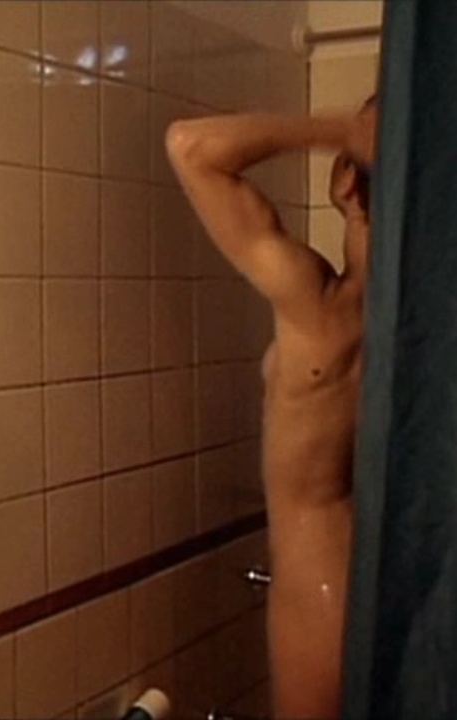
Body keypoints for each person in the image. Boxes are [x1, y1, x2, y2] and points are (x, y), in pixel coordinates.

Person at [166, 95, 378, 720]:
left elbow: (190, 147)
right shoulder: (421, 320)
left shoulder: (319, 309)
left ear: (346, 181)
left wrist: (343, 130)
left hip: (320, 580)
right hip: (383, 570)